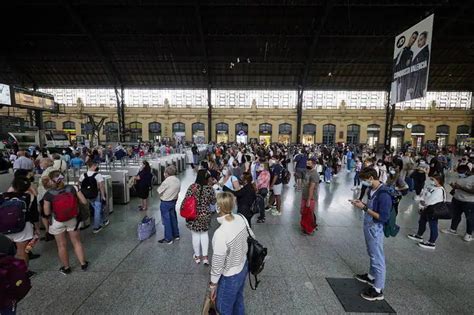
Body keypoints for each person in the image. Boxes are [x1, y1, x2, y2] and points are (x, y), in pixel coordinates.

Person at [351, 167, 392, 301]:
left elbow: (383, 217)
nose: (363, 182)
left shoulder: (384, 194)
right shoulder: (372, 190)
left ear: (370, 178)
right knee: (372, 253)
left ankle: (378, 289)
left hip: (376, 228)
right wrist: (361, 203)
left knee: (377, 258)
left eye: (364, 180)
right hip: (369, 226)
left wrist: (364, 208)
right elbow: (370, 207)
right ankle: (371, 277)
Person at [209, 192, 254, 315]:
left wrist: (213, 285)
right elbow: (252, 237)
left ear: (219, 208)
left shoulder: (220, 233)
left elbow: (218, 263)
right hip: (243, 267)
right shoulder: (241, 218)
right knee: (238, 300)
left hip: (230, 275)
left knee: (223, 308)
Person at [43, 171, 89, 274]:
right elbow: (84, 201)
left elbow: (46, 212)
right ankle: (83, 264)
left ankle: (66, 268)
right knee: (76, 242)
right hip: (72, 219)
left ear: (51, 180)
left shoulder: (48, 194)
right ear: (63, 178)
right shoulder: (73, 188)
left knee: (61, 245)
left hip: (57, 221)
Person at [1, 177, 38, 278]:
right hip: (23, 227)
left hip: (4, 228)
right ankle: (24, 272)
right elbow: (34, 215)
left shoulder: (3, 196)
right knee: (22, 252)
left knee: (6, 252)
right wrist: (36, 228)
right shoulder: (30, 197)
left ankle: (7, 272)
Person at [183, 169, 216, 265]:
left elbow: (186, 200)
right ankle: (205, 258)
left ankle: (197, 257)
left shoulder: (192, 187)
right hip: (205, 214)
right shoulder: (209, 189)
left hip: (192, 214)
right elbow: (213, 202)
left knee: (195, 235)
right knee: (204, 234)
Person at [407, 174, 445, 249]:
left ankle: (432, 242)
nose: (431, 181)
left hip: (433, 209)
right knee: (422, 221)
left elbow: (430, 200)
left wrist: (424, 204)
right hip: (425, 208)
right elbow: (424, 194)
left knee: (433, 225)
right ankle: (419, 235)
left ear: (438, 181)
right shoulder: (431, 186)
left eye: (433, 180)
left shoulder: (440, 190)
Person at [442, 164, 473, 242]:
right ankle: (453, 229)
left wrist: (460, 187)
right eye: (459, 172)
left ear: (467, 171)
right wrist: (454, 187)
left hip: (469, 202)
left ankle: (468, 234)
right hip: (457, 199)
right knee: (455, 215)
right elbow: (458, 188)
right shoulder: (461, 177)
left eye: (461, 172)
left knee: (469, 218)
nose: (460, 173)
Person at [79, 161, 108, 234]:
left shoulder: (83, 175)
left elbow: (79, 185)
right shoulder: (98, 175)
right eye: (96, 166)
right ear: (94, 166)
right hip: (96, 194)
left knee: (97, 207)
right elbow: (101, 186)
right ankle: (96, 227)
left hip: (87, 195)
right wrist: (103, 196)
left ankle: (104, 220)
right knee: (97, 209)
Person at [157, 165, 181, 244]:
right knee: (173, 218)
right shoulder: (177, 180)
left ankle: (168, 238)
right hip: (173, 201)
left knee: (166, 220)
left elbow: (159, 191)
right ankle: (176, 235)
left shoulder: (167, 181)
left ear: (167, 173)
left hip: (165, 202)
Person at [301, 156, 319, 233]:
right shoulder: (308, 171)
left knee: (309, 213)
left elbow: (311, 188)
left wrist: (308, 200)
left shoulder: (315, 174)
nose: (307, 164)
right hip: (305, 195)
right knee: (304, 212)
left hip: (310, 197)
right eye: (307, 162)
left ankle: (310, 228)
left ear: (314, 164)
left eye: (309, 163)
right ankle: (305, 226)